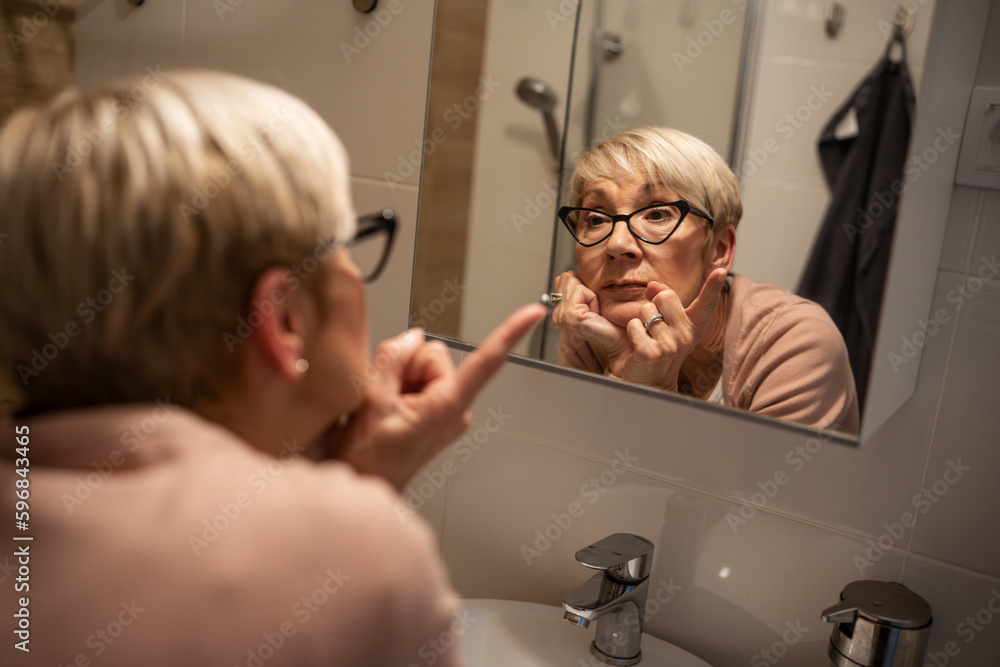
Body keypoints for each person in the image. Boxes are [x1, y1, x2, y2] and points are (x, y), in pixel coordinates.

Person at [0, 70, 545, 666]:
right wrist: (350, 517)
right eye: (349, 244)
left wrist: (346, 490)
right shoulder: (361, 553)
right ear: (283, 318)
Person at [550, 126, 859, 435]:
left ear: (719, 249)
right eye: (596, 219)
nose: (617, 244)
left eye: (656, 215)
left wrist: (654, 387)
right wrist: (620, 362)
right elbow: (566, 454)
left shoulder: (794, 343)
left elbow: (753, 474)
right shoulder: (592, 327)